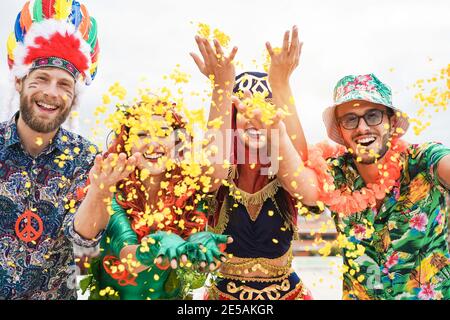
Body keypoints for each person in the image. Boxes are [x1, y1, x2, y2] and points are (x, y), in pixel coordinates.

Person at [0, 0, 133, 299]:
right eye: (41, 79)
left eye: (64, 84)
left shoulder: (87, 158)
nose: (51, 93)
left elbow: (84, 245)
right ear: (20, 82)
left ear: (73, 97)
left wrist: (99, 192)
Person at [190, 26, 315, 300]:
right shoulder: (220, 169)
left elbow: (304, 183)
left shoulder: (283, 170)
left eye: (264, 106)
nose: (255, 116)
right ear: (231, 119)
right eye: (244, 108)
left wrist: (282, 83)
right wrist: (221, 86)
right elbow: (211, 176)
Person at [302, 73, 450, 299]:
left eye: (373, 115)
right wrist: (280, 84)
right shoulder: (336, 174)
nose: (362, 127)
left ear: (391, 122)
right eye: (350, 119)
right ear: (341, 131)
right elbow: (296, 174)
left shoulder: (423, 159)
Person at [82, 99, 233, 300]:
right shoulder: (112, 191)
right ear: (126, 144)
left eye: (163, 133)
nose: (153, 144)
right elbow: (129, 259)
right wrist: (153, 248)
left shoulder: (190, 193)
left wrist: (198, 255)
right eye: (142, 134)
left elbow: (195, 280)